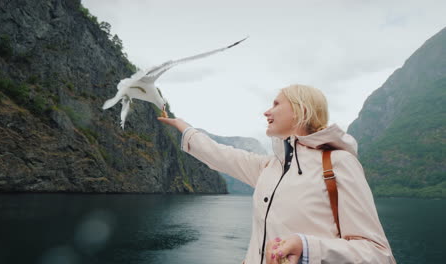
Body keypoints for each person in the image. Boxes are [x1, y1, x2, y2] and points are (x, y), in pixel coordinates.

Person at [157, 84, 396, 264]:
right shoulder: (270, 168)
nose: (266, 112)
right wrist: (183, 127)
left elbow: (377, 253)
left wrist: (306, 247)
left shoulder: (338, 163)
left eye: (276, 104)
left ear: (301, 110)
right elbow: (220, 155)